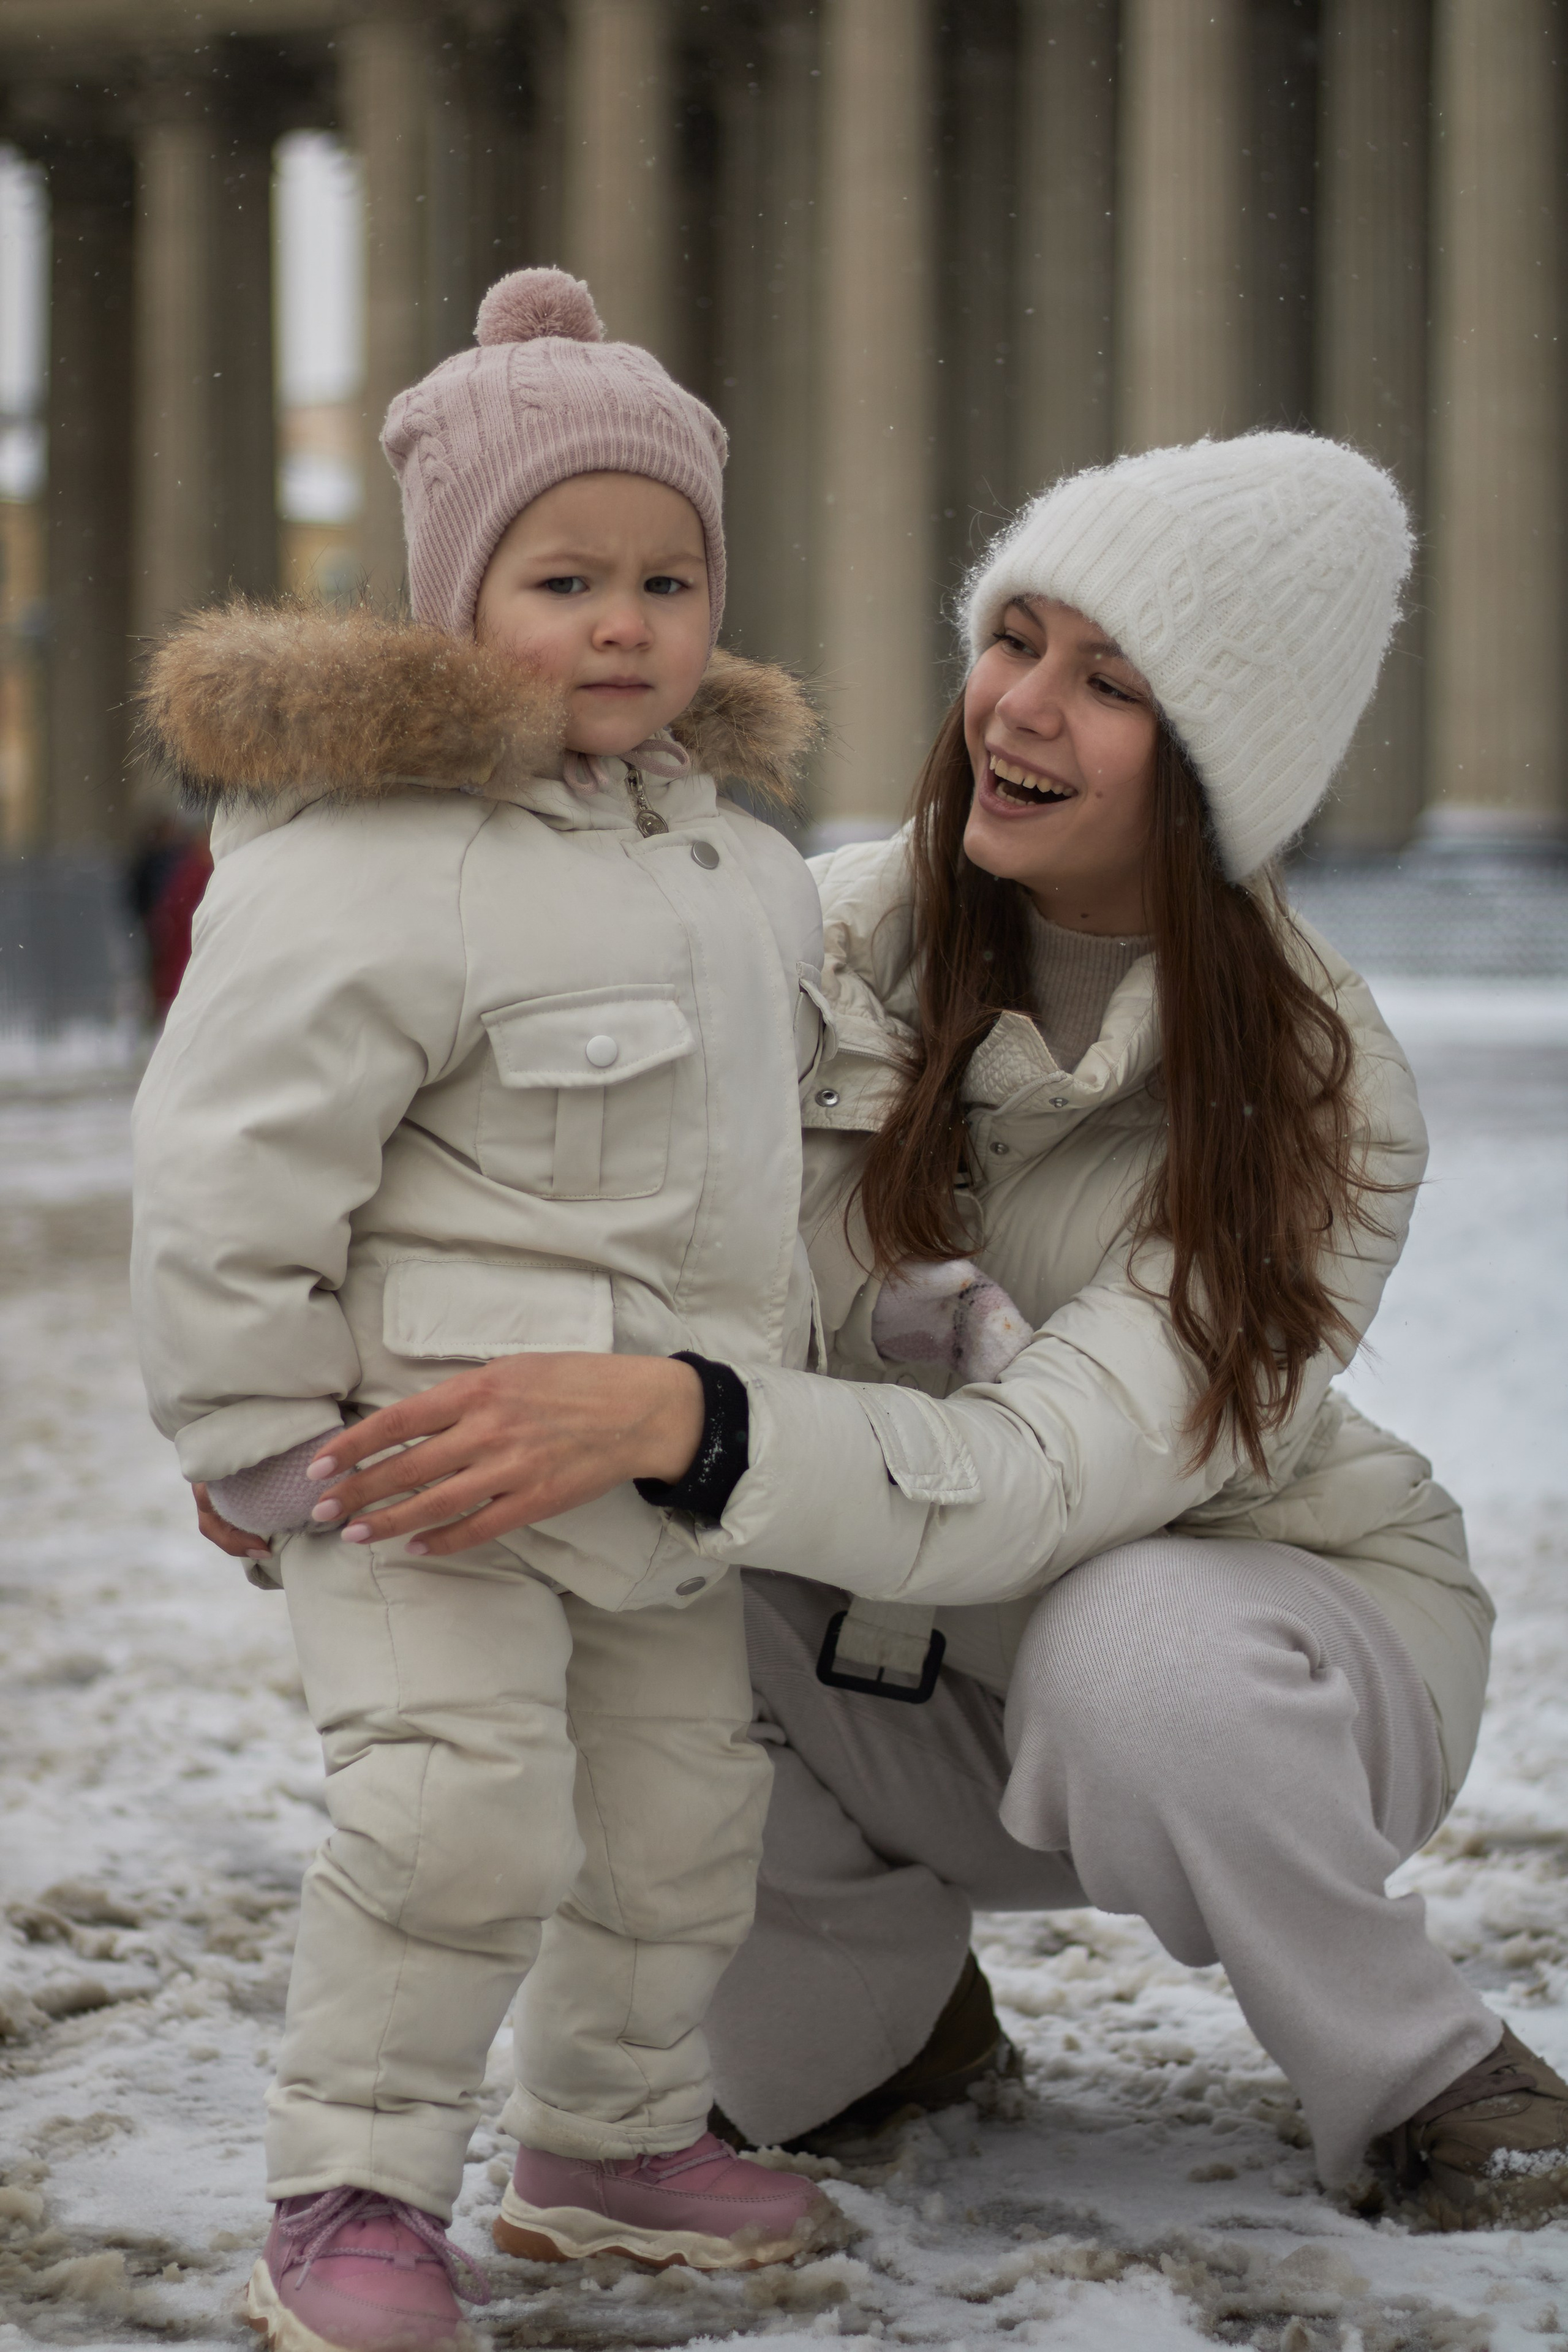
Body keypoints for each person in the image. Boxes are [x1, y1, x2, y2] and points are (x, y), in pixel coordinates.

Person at [298, 432, 1568, 2234]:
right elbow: (508, 1190)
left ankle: (1431, 2074)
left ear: (1218, 768)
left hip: (1259, 1649)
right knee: (561, 1569)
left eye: (1109, 682)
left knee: (1139, 1655)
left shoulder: (1317, 1092)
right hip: (882, 1658)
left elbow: (1053, 1477)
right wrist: (290, 1403)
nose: (1021, 709)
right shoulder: (795, 936)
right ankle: (884, 2016)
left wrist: (698, 1422)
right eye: (1016, 638)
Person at [132, 266, 843, 2352]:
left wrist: (887, 1321)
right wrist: (250, 1436)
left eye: (667, 578)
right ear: (457, 597)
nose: (622, 625)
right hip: (411, 1467)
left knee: (682, 1823)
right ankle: (347, 2187)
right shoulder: (366, 859)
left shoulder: (749, 873)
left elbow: (794, 1150)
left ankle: (608, 2141)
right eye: (561, 577)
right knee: (455, 1825)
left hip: (660, 1467)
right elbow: (232, 1154)